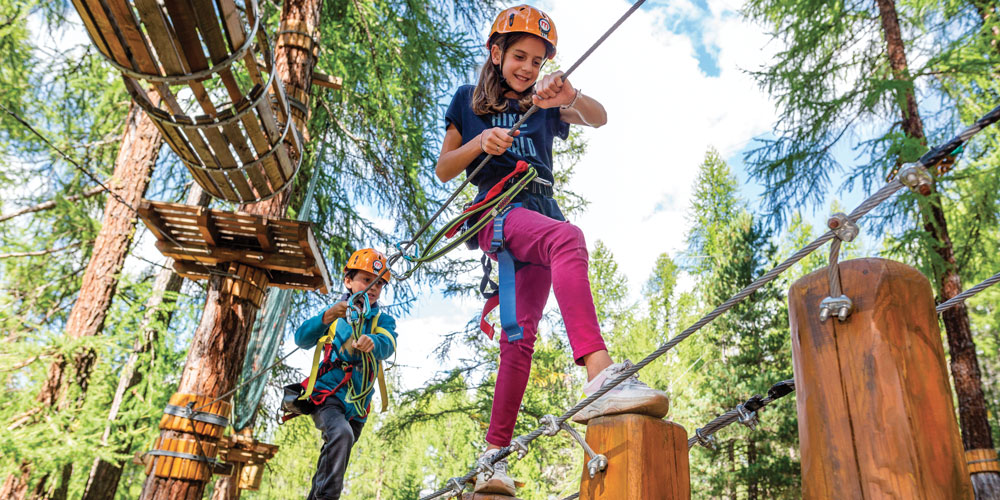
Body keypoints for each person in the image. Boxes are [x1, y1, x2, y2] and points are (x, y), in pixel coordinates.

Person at [435, 5, 669, 496]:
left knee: (519, 341)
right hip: (496, 213)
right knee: (569, 240)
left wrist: (571, 96)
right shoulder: (466, 101)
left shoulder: (543, 102)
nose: (528, 68)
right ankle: (599, 375)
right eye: (519, 56)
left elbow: (599, 119)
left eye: (538, 61)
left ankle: (492, 456)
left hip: (540, 213)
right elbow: (444, 168)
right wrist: (483, 144)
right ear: (496, 53)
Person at [292, 248, 398, 500]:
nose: (373, 288)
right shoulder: (335, 313)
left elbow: (389, 343)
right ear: (348, 281)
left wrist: (372, 341)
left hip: (358, 406)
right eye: (366, 280)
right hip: (328, 395)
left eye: (379, 284)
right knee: (340, 435)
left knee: (335, 453)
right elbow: (302, 339)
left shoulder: (382, 320)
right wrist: (328, 316)